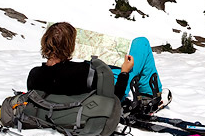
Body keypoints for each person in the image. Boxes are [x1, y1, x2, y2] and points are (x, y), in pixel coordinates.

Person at [27, 22, 162, 102]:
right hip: (103, 100)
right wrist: (125, 73)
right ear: (70, 46)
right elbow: (114, 97)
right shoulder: (83, 72)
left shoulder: (34, 75)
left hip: (71, 100)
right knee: (141, 43)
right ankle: (149, 94)